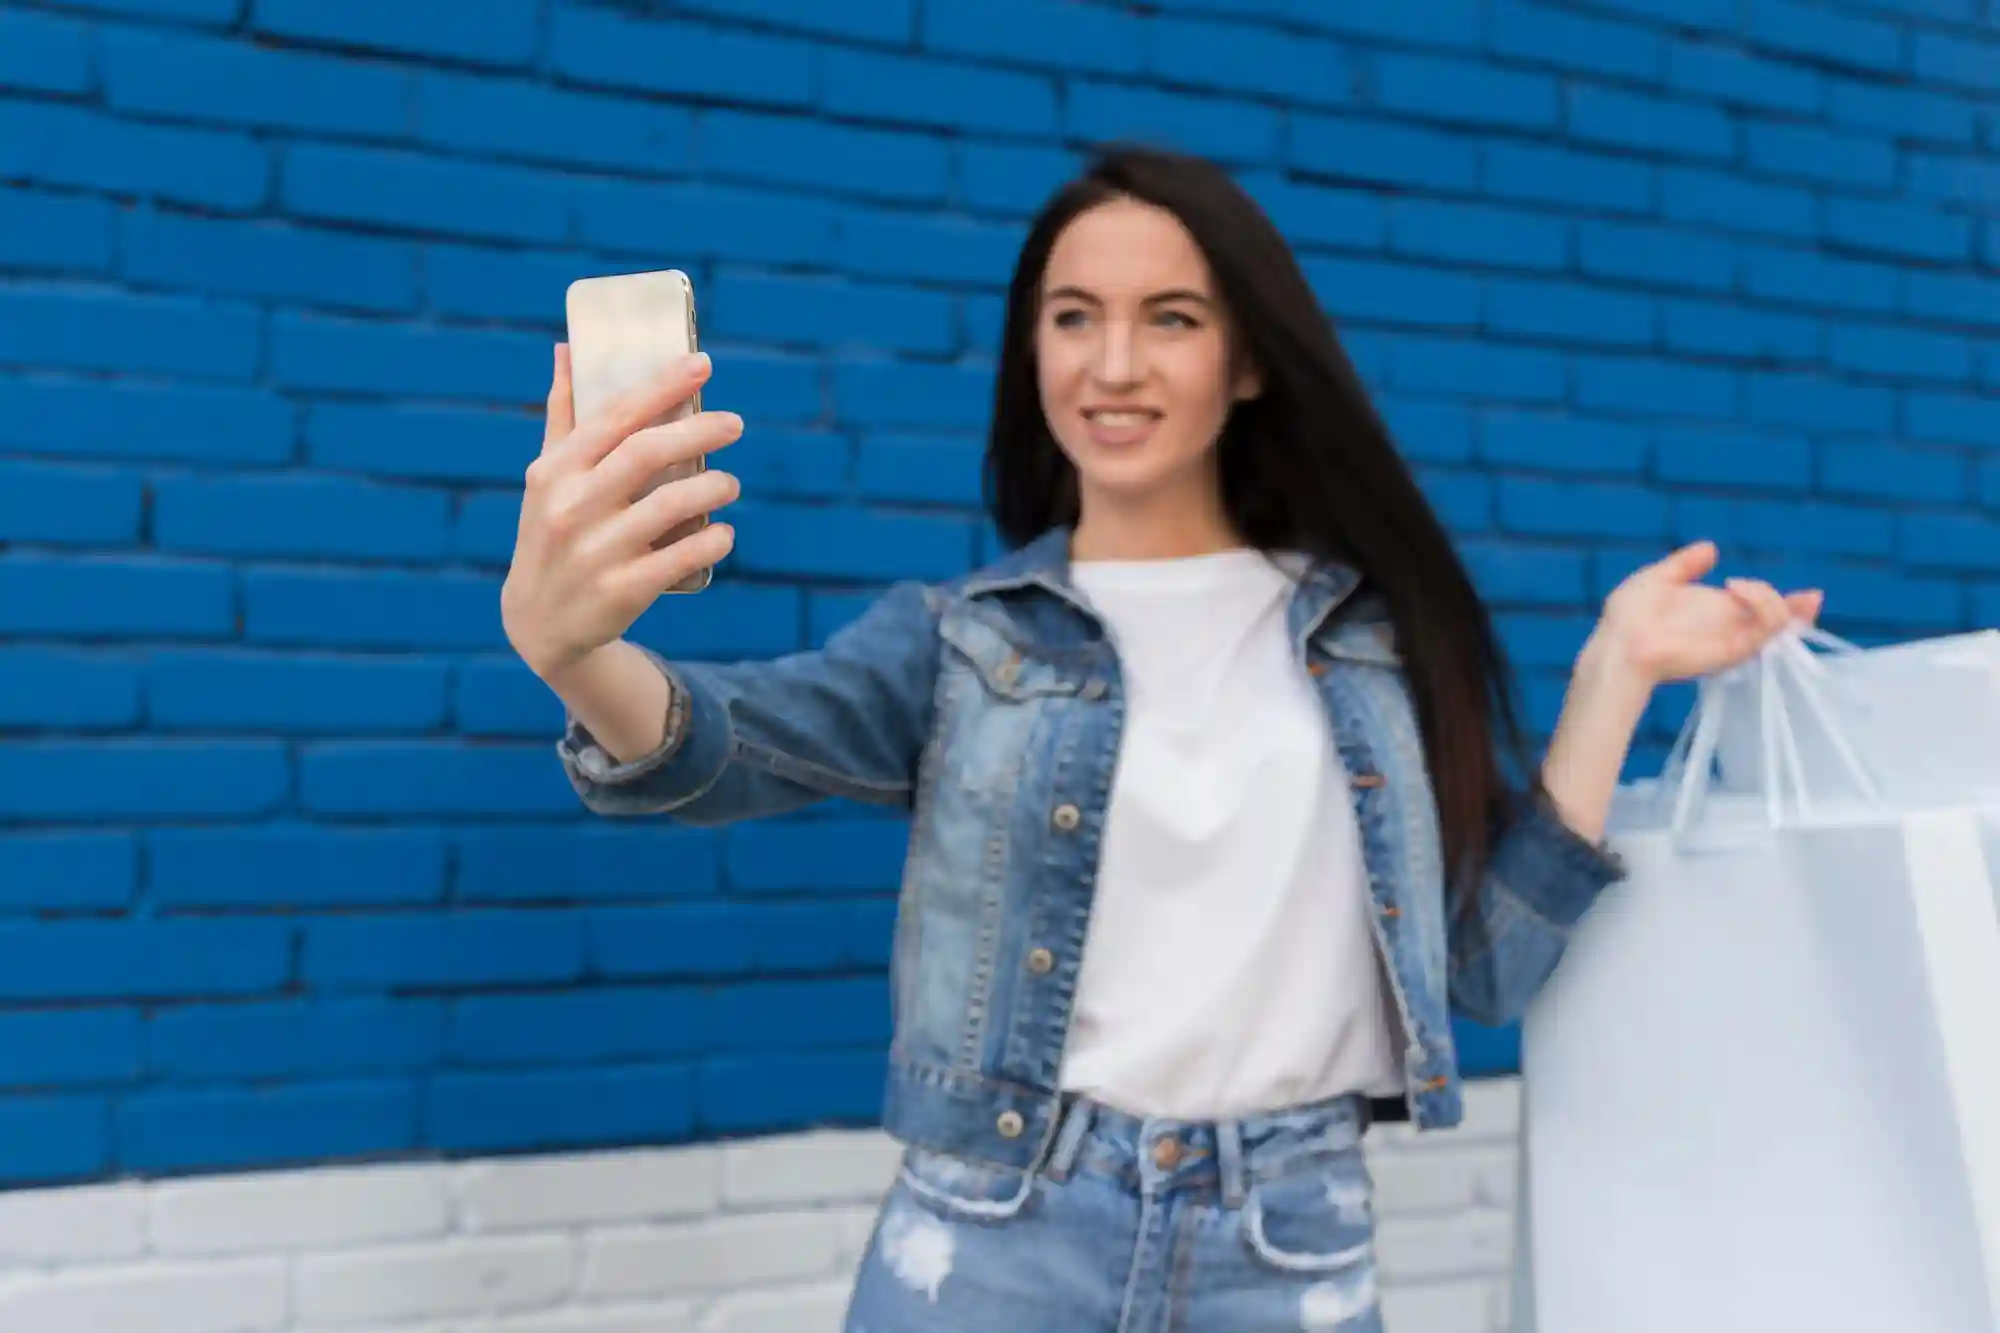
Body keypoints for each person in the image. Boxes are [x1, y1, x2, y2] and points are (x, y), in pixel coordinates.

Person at [501, 146, 1822, 1332]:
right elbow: (721, 747)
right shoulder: (965, 640)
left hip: (1287, 1244)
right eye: (1073, 318)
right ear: (1034, 350)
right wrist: (574, 651)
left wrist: (1617, 670)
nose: (1114, 365)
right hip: (993, 1245)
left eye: (1170, 319)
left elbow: (1476, 974)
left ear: (1247, 360)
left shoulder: (1370, 643)